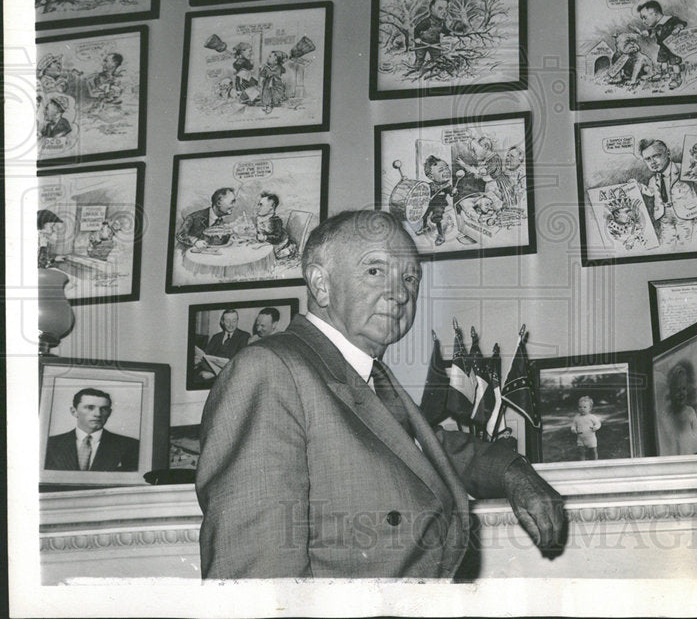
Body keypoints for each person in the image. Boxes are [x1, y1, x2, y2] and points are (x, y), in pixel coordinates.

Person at [196, 210, 565, 578]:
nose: (401, 293)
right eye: (375, 270)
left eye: (410, 278)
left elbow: (426, 450)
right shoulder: (269, 369)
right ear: (321, 284)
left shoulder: (364, 372)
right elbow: (256, 580)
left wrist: (513, 471)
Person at [45, 388, 139, 472]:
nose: (98, 414)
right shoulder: (49, 444)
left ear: (109, 413)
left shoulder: (131, 446)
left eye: (104, 409)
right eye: (90, 408)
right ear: (74, 411)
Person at [634, 138, 697, 245]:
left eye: (656, 156)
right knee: (667, 241)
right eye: (648, 159)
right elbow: (651, 192)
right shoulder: (653, 180)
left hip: (684, 212)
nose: (652, 162)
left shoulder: (683, 169)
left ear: (668, 153)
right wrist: (639, 187)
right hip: (664, 214)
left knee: (685, 240)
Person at [637, 0, 687, 90]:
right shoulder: (657, 25)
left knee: (674, 63)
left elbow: (682, 23)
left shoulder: (671, 20)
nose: (644, 21)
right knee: (662, 61)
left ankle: (677, 78)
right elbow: (653, 31)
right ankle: (664, 74)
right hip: (663, 47)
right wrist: (647, 32)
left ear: (654, 14)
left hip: (672, 47)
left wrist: (678, 28)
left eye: (645, 17)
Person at [661, 360, 697, 455]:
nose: (682, 393)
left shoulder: (690, 412)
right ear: (671, 392)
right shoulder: (667, 415)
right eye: (678, 390)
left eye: (684, 388)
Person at [417, 155, 455, 246]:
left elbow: (452, 193)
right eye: (441, 170)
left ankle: (441, 235)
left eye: (446, 168)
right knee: (424, 214)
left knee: (437, 217)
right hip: (429, 203)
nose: (446, 171)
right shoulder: (429, 185)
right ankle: (425, 227)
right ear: (431, 176)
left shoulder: (447, 186)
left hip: (440, 203)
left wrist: (454, 192)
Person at [412, 0, 452, 71]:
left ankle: (437, 68)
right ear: (432, 9)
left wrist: (449, 33)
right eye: (440, 8)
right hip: (422, 43)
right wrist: (417, 38)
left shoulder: (442, 22)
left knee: (437, 57)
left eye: (446, 9)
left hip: (435, 43)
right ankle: (416, 69)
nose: (444, 12)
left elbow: (444, 30)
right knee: (420, 58)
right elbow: (417, 29)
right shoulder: (426, 22)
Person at [254, 191, 296, 259]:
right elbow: (260, 233)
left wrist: (265, 237)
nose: (258, 207)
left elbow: (277, 237)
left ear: (271, 206)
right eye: (258, 204)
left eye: (261, 205)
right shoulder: (259, 219)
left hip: (280, 243)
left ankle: (290, 249)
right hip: (268, 243)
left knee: (274, 255)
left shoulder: (275, 220)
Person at [570, 395, 601, 460]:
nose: (582, 409)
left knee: (593, 451)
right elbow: (573, 425)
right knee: (581, 452)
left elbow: (598, 423)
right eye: (580, 407)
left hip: (591, 438)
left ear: (590, 408)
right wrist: (573, 429)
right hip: (581, 438)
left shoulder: (592, 417)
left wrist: (595, 427)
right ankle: (582, 463)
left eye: (584, 407)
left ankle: (595, 462)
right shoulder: (576, 417)